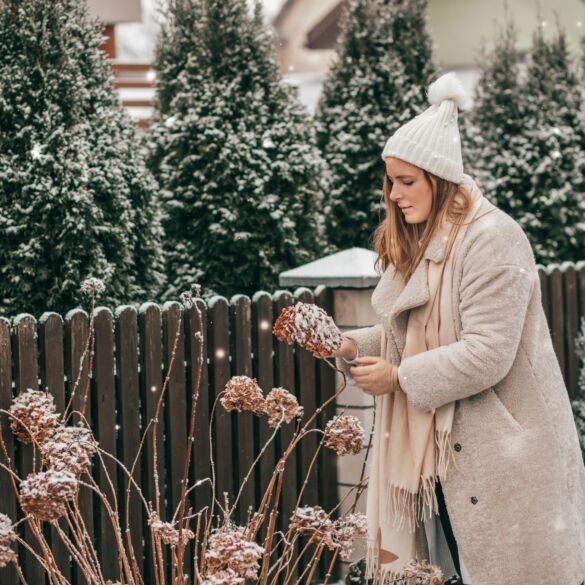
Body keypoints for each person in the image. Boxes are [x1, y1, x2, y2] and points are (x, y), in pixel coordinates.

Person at [324, 72, 585, 585]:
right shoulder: (426, 242)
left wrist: (397, 379)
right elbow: (408, 334)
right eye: (390, 182)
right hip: (443, 461)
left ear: (439, 179)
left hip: (506, 458)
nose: (394, 195)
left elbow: (488, 353)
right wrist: (350, 344)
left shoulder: (493, 239)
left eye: (406, 181)